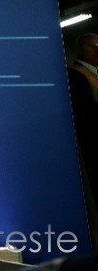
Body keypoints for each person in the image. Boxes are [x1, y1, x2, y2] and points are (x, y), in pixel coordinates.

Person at [67, 33, 98, 249]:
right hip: (90, 149)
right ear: (80, 49)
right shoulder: (75, 76)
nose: (97, 50)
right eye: (92, 46)